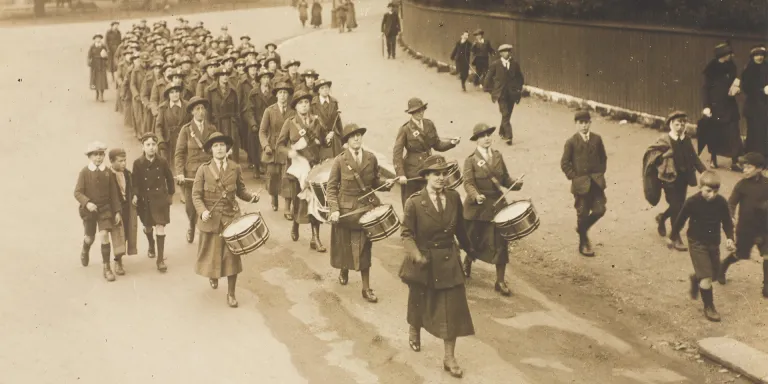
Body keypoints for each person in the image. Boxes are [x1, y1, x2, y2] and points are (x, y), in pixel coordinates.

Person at [398, 154, 474, 378]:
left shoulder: (453, 197)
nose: (442, 178)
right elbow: (406, 234)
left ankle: (449, 357)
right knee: (419, 300)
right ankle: (415, 328)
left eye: (444, 174)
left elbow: (460, 228)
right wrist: (416, 254)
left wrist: (470, 249)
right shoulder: (414, 202)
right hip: (424, 260)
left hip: (449, 260)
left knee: (453, 309)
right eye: (436, 174)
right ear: (426, 176)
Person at [327, 124, 396, 302]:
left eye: (359, 135)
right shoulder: (340, 161)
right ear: (347, 141)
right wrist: (334, 210)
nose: (357, 139)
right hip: (346, 211)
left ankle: (366, 288)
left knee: (365, 248)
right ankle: (344, 268)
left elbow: (374, 181)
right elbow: (331, 189)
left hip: (367, 209)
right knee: (345, 246)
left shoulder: (370, 158)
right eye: (353, 136)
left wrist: (385, 183)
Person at [192, 132, 260, 308]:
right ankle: (213, 275)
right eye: (215, 146)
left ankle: (231, 293)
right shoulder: (203, 169)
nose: (219, 148)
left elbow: (241, 191)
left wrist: (251, 197)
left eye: (222, 145)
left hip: (230, 219)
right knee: (212, 255)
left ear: (227, 148)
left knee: (232, 257)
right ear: (211, 150)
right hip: (211, 219)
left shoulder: (235, 168)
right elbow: (196, 195)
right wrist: (202, 211)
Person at [462, 123, 523, 295]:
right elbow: (468, 183)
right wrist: (475, 195)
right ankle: (467, 262)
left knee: (501, 242)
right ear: (477, 140)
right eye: (483, 136)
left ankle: (500, 281)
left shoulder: (497, 156)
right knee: (475, 240)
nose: (487, 138)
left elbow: (505, 179)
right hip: (479, 208)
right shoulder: (471, 160)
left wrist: (515, 184)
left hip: (497, 206)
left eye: (489, 135)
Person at [668, 171, 735, 322]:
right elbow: (680, 220)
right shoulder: (692, 202)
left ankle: (696, 278)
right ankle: (709, 307)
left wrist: (730, 238)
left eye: (715, 191)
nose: (712, 195)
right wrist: (672, 237)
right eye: (708, 191)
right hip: (696, 241)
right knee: (706, 277)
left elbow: (727, 222)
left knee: (715, 274)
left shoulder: (721, 202)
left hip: (713, 242)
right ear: (700, 187)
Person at [644, 111, 707, 252]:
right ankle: (676, 236)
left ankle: (661, 218)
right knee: (676, 205)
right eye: (677, 124)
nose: (680, 127)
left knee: (679, 205)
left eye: (682, 124)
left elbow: (693, 157)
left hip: (683, 177)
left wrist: (704, 171)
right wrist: (666, 155)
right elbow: (652, 157)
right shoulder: (665, 140)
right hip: (668, 177)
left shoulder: (686, 139)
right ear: (671, 125)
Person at [277, 90, 326, 249]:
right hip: (297, 168)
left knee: (315, 200)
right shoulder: (290, 123)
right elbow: (279, 145)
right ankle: (296, 225)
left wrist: (328, 140)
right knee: (299, 201)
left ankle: (315, 238)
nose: (304, 106)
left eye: (306, 103)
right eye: (300, 103)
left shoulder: (317, 121)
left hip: (314, 166)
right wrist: (289, 152)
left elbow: (324, 141)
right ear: (296, 107)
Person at [393, 97, 460, 207]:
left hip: (430, 168)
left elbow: (437, 144)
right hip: (412, 172)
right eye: (417, 111)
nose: (420, 113)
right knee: (412, 203)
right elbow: (397, 153)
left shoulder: (429, 124)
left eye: (422, 110)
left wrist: (452, 143)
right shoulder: (405, 129)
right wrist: (400, 174)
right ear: (411, 113)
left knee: (431, 202)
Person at [719, 152, 768, 298]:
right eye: (743, 167)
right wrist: (731, 216)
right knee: (740, 254)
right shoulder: (741, 185)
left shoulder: (766, 184)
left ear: (759, 168)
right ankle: (723, 266)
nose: (744, 170)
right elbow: (731, 202)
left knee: (767, 254)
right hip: (746, 228)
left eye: (748, 167)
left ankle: (766, 285)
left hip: (764, 227)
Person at [560, 110, 607, 257]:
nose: (584, 126)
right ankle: (583, 243)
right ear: (576, 125)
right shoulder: (571, 142)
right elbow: (565, 163)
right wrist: (574, 177)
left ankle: (582, 228)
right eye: (581, 123)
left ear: (590, 123)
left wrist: (599, 173)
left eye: (586, 122)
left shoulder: (597, 139)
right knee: (582, 213)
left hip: (596, 183)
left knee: (600, 210)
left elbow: (603, 158)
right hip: (580, 186)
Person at [74, 142, 121, 281]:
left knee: (104, 234)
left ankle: (106, 267)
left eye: (101, 154)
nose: (98, 158)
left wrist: (117, 211)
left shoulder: (107, 172)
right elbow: (77, 192)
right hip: (89, 211)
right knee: (90, 237)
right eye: (95, 154)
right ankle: (85, 248)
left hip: (105, 209)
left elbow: (114, 193)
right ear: (89, 156)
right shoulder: (84, 172)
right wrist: (87, 203)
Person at [175, 96, 219, 244]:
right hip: (191, 174)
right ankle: (191, 225)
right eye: (197, 109)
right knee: (190, 206)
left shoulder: (212, 128)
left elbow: (218, 150)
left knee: (209, 202)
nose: (201, 112)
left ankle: (205, 230)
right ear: (192, 112)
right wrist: (180, 172)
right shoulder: (186, 130)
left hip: (209, 172)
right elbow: (179, 153)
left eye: (203, 109)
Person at [132, 133, 175, 272]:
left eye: (153, 145)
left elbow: (169, 178)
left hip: (160, 199)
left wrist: (170, 195)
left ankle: (160, 259)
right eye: (148, 145)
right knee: (148, 227)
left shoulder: (162, 161)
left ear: (157, 146)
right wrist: (135, 195)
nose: (151, 148)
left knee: (160, 227)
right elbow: (135, 182)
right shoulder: (138, 163)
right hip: (145, 200)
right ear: (143, 147)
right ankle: (151, 244)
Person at [700, 42, 743, 171]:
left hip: (729, 104)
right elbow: (705, 89)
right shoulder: (711, 68)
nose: (731, 55)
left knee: (734, 131)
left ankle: (735, 160)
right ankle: (713, 158)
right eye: (729, 53)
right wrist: (706, 106)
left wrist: (737, 89)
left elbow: (734, 82)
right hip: (716, 105)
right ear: (723, 55)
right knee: (715, 132)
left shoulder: (731, 66)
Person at [260, 82, 295, 212]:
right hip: (273, 149)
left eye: (285, 93)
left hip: (287, 147)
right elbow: (262, 131)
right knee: (273, 176)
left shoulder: (293, 111)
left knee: (287, 177)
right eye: (280, 93)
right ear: (276, 95)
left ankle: (287, 207)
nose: (282, 95)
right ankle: (274, 197)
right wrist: (266, 145)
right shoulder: (269, 111)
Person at [483, 44, 524, 145]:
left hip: (512, 94)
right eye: (504, 52)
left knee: (507, 115)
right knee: (505, 114)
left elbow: (520, 78)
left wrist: (518, 89)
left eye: (508, 51)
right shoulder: (495, 64)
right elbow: (488, 78)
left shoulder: (515, 64)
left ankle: (502, 131)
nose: (507, 53)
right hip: (500, 94)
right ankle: (509, 136)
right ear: (501, 53)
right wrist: (490, 90)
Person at [108, 148, 137, 276]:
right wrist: (115, 211)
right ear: (111, 161)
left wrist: (135, 194)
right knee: (117, 234)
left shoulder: (127, 174)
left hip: (126, 207)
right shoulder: (108, 175)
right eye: (120, 161)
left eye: (125, 160)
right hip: (114, 209)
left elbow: (133, 186)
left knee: (125, 232)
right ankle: (117, 260)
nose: (123, 164)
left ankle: (119, 258)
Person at [244, 68, 276, 179]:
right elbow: (249, 110)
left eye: (268, 78)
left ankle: (267, 168)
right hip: (257, 123)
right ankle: (256, 167)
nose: (266, 80)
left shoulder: (273, 93)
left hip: (270, 124)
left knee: (269, 145)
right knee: (254, 146)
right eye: (264, 78)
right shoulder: (254, 93)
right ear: (260, 80)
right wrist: (253, 124)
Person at [206, 67, 242, 163]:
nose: (225, 77)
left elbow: (237, 110)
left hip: (231, 124)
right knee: (218, 147)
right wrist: (209, 125)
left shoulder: (233, 90)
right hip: (217, 123)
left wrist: (236, 123)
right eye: (222, 75)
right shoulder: (210, 91)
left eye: (226, 75)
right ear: (218, 77)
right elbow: (208, 110)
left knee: (232, 150)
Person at [155, 83, 191, 177]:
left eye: (177, 91)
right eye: (172, 92)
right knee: (168, 166)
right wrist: (160, 140)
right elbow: (158, 126)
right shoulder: (163, 108)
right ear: (168, 95)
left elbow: (192, 123)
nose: (175, 94)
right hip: (168, 141)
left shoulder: (187, 105)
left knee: (184, 162)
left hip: (184, 139)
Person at [741, 45, 768, 157]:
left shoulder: (767, 67)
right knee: (754, 130)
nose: (759, 57)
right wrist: (762, 90)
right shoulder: (748, 69)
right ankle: (752, 156)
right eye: (757, 55)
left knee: (765, 130)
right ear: (752, 57)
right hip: (753, 105)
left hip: (765, 104)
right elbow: (746, 88)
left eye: (761, 55)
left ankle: (764, 155)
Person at [311, 79, 343, 161]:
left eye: (327, 87)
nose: (325, 90)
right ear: (318, 90)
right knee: (323, 161)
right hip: (320, 136)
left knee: (336, 159)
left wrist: (342, 138)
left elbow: (338, 121)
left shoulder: (334, 102)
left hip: (333, 135)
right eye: (322, 88)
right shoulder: (313, 103)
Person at [88, 34, 110, 102]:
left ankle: (101, 96)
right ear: (94, 39)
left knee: (102, 81)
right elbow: (89, 56)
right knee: (95, 80)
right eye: (97, 38)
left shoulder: (103, 46)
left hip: (102, 65)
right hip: (95, 66)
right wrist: (90, 63)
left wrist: (105, 57)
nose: (98, 40)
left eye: (99, 38)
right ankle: (97, 93)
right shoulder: (92, 47)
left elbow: (107, 55)